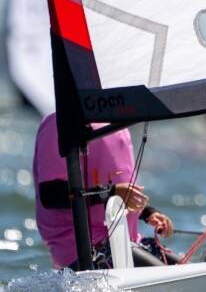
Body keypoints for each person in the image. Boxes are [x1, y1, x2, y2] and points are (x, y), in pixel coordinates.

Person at [33, 113, 175, 270]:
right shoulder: (58, 125)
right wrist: (111, 193)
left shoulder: (118, 124)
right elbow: (51, 195)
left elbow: (120, 187)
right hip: (86, 255)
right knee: (174, 277)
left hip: (127, 243)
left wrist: (148, 213)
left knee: (184, 268)